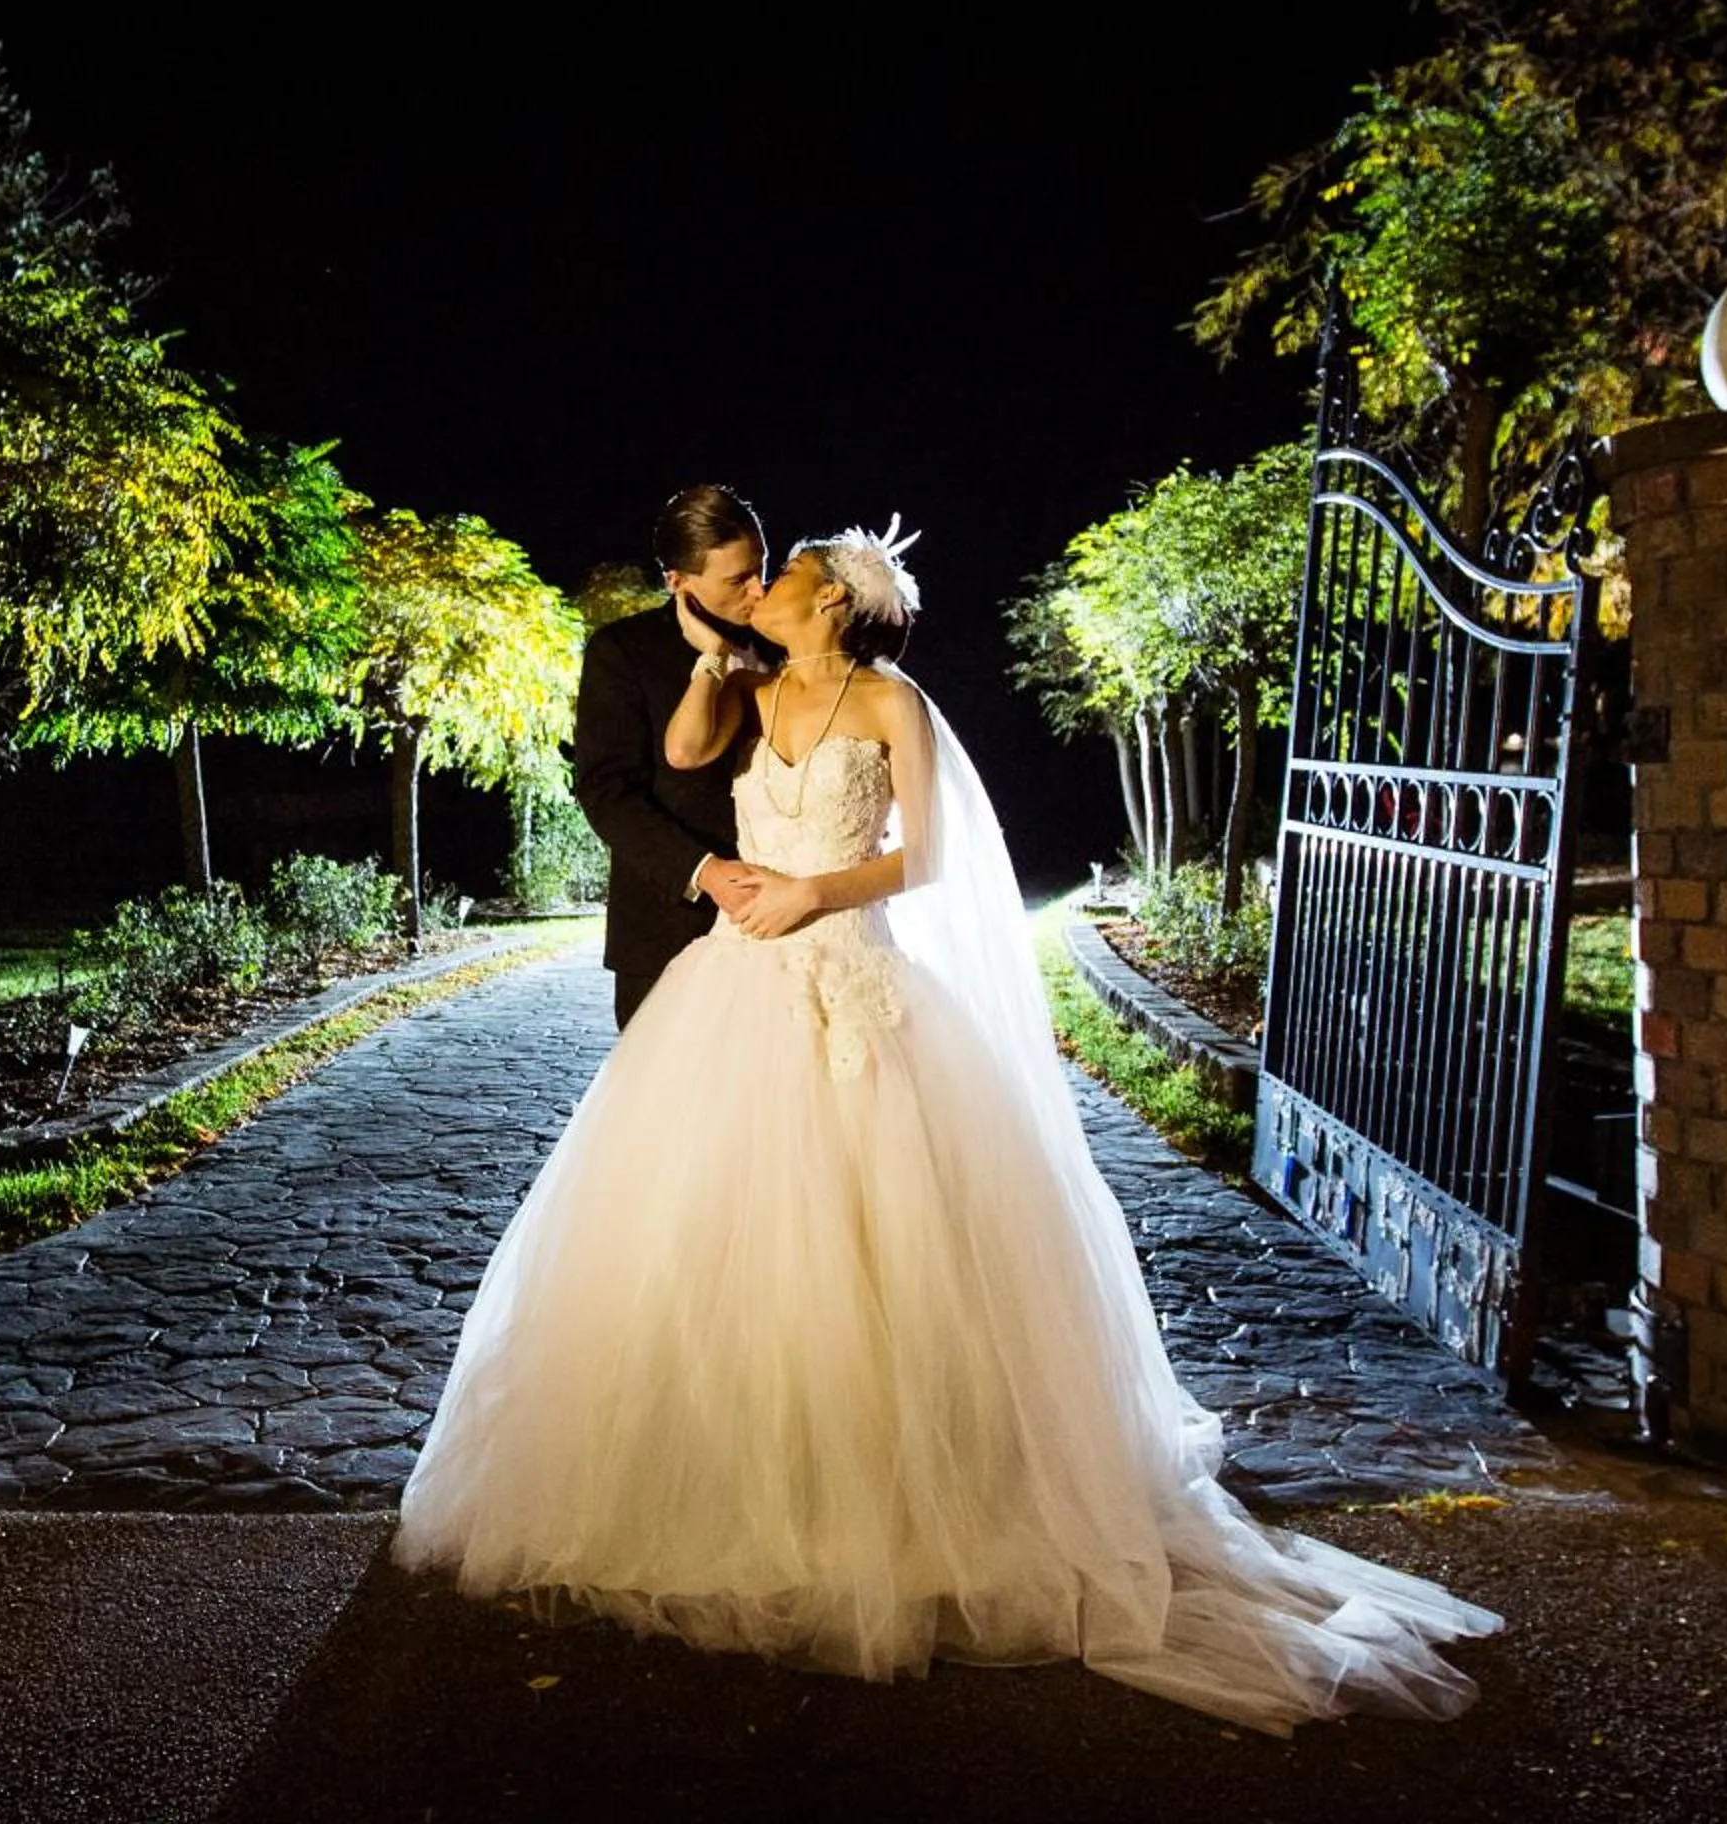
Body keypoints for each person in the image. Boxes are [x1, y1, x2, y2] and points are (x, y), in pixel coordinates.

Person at [394, 521, 1502, 1736]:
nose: (763, 589)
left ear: (830, 600)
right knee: (713, 1229)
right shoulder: (752, 681)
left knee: (885, 1233)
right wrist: (712, 660)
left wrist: (819, 888)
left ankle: (918, 1496)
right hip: (736, 980)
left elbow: (926, 856)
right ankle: (732, 1471)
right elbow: (678, 752)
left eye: (786, 577)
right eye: (748, 579)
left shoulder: (894, 704)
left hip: (849, 964)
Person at [571, 484, 776, 1027]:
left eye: (762, 567)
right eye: (737, 580)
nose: (759, 590)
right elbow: (606, 792)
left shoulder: (792, 643)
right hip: (667, 930)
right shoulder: (622, 653)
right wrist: (703, 872)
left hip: (787, 925)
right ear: (678, 582)